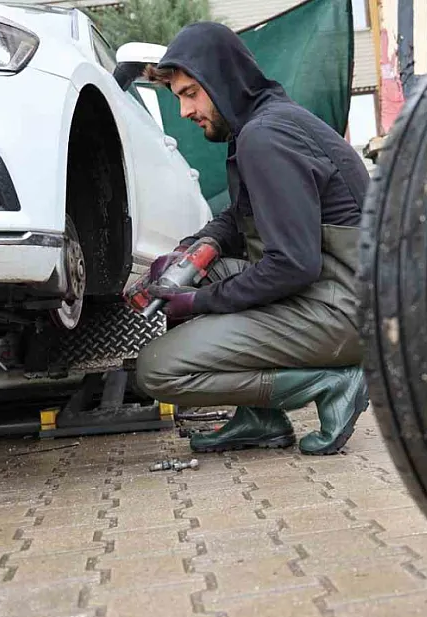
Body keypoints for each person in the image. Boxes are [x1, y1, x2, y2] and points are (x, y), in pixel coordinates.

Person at [135, 21, 371, 456]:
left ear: (221, 79)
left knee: (158, 370)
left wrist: (198, 302)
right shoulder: (263, 127)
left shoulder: (266, 137)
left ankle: (332, 383)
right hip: (337, 293)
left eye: (190, 93)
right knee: (194, 277)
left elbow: (293, 265)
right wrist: (192, 253)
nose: (185, 111)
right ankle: (259, 419)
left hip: (342, 310)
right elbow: (240, 215)